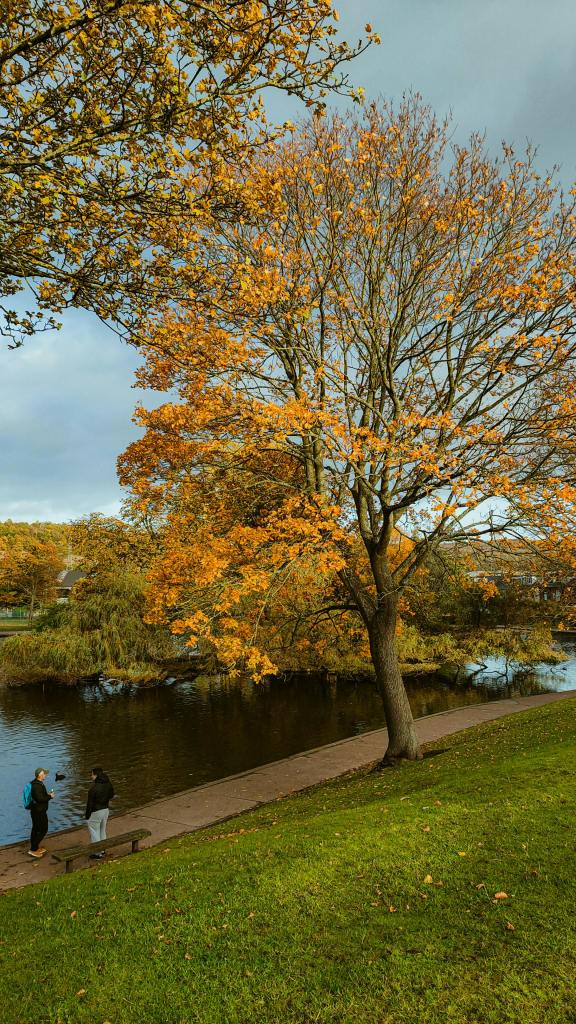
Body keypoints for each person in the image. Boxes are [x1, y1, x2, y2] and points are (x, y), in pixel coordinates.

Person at [85, 767, 115, 859]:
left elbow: (89, 804)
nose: (91, 776)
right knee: (102, 830)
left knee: (94, 831)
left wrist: (87, 816)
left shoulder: (93, 788)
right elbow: (112, 795)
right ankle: (102, 850)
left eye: (92, 774)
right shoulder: (108, 784)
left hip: (96, 811)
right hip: (105, 810)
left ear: (96, 775)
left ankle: (97, 853)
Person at [28, 767, 54, 858]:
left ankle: (35, 848)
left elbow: (40, 796)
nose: (46, 775)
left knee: (35, 829)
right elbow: (40, 799)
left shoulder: (37, 783)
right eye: (45, 774)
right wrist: (50, 797)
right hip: (38, 812)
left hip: (37, 811)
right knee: (43, 829)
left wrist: (47, 795)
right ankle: (33, 849)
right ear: (40, 775)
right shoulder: (37, 786)